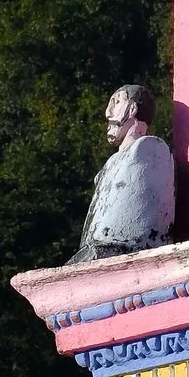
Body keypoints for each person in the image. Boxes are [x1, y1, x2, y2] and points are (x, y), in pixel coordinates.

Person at [75, 83, 176, 260]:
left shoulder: (149, 148)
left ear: (133, 109)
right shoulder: (111, 162)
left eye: (116, 102)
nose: (108, 113)